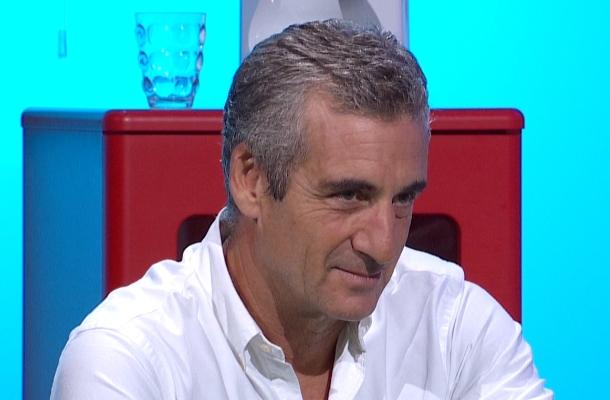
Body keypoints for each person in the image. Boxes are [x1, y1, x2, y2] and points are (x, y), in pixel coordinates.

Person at [51, 19, 552, 399]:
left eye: (403, 199)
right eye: (349, 196)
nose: (383, 244)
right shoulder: (127, 359)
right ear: (251, 179)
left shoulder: (457, 329)